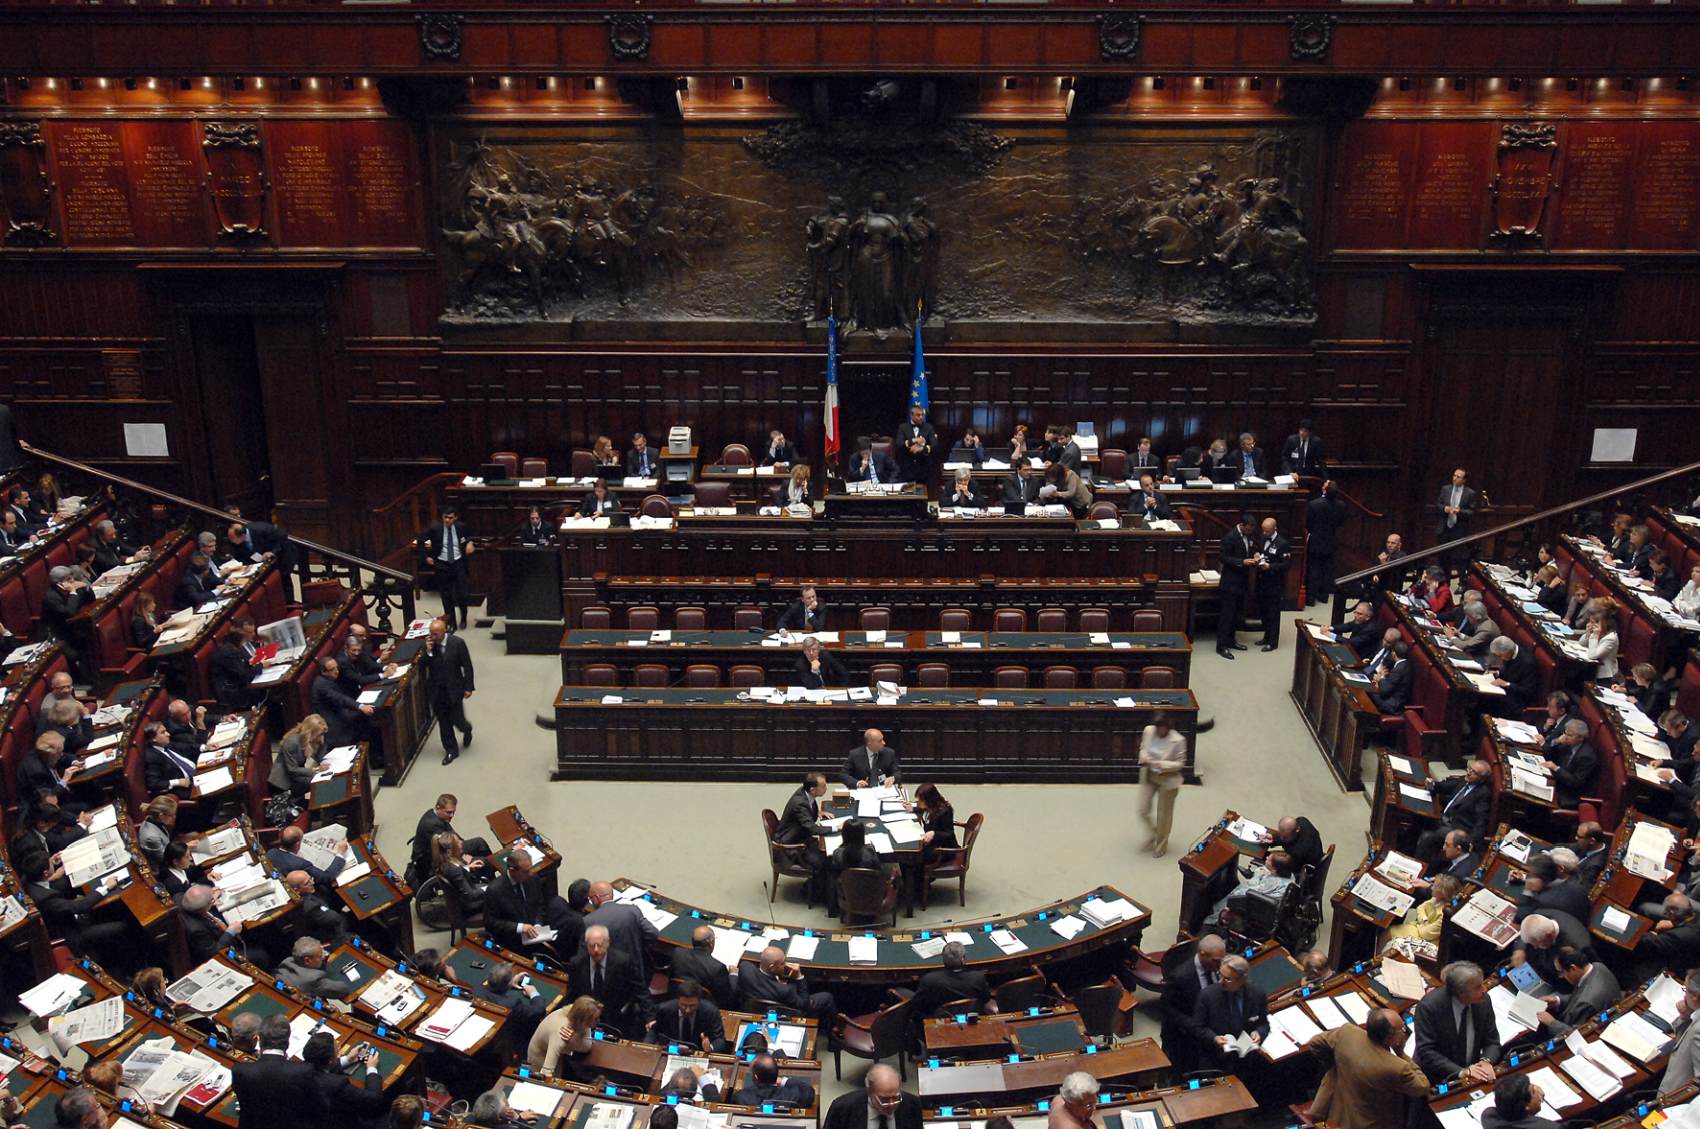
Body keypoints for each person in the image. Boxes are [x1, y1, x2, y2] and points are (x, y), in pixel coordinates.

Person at [1305, 1007, 1429, 1129]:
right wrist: (1401, 1053)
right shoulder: (1397, 1067)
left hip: (1335, 1115)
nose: (1404, 1031)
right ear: (1390, 1038)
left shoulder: (1348, 1033)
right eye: (1402, 1028)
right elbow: (1422, 1087)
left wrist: (1335, 1066)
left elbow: (1315, 1043)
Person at [20, 849, 130, 969]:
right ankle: (122, 966)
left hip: (64, 917)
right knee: (122, 926)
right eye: (50, 864)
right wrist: (105, 887)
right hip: (72, 933)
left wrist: (51, 862)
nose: (52, 864)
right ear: (45, 873)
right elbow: (80, 907)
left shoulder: (27, 878)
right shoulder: (45, 898)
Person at [231, 1014, 330, 1129]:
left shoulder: (240, 1071)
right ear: (287, 1042)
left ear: (260, 1039)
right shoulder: (303, 1071)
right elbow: (322, 1107)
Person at [1413, 961, 1500, 1085]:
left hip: (1474, 1075)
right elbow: (1426, 1051)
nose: (1484, 990)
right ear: (1461, 992)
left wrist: (1486, 1061)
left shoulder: (1483, 1001)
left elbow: (1492, 1041)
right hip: (1437, 1078)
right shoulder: (1429, 1007)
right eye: (1477, 987)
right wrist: (1461, 1072)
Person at [569, 924, 654, 1037]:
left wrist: (650, 1018)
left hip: (616, 1019)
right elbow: (571, 994)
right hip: (586, 1021)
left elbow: (640, 989)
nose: (596, 950)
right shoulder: (577, 963)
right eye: (591, 946)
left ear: (608, 942)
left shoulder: (623, 962)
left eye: (599, 945)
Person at [1159, 934, 1226, 1073]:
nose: (1220, 965)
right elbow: (1167, 1008)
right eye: (1216, 961)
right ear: (1203, 955)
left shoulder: (1218, 968)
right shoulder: (1180, 976)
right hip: (1183, 1037)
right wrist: (1196, 1027)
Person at [1193, 954, 1268, 1064]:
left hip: (1246, 1060)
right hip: (1214, 1058)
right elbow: (1197, 1027)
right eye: (1220, 975)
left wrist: (1259, 1033)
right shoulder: (1207, 995)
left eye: (1227, 979)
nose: (1220, 982)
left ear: (1242, 979)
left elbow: (1264, 1024)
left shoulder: (1257, 994)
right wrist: (1214, 1038)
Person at [301, 1032, 387, 1127]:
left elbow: (320, 1069)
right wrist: (371, 1068)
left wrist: (348, 1059)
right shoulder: (338, 1085)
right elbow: (373, 1098)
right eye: (337, 1049)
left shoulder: (297, 1070)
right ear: (330, 1060)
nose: (339, 1049)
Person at [1533, 946, 1620, 1035]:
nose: (1561, 976)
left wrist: (1551, 1022)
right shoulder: (1598, 966)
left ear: (1573, 968)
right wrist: (1558, 1001)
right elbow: (1581, 994)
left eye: (1562, 972)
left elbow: (1578, 1034)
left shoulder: (1586, 1003)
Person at [423, 617, 475, 765]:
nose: (432, 637)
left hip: (454, 689)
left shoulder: (457, 643)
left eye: (435, 634)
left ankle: (467, 729)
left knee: (458, 721)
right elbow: (423, 664)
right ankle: (451, 750)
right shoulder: (429, 646)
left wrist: (468, 687)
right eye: (431, 633)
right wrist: (428, 652)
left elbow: (467, 666)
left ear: (444, 631)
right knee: (444, 723)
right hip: (437, 691)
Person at [740, 945, 836, 1023]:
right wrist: (799, 977)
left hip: (754, 1007)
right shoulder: (785, 990)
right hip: (787, 1011)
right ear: (772, 967)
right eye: (782, 963)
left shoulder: (745, 968)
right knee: (827, 997)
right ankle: (830, 1031)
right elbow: (804, 1004)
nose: (785, 965)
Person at [1418, 761, 1494, 860]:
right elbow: (1445, 786)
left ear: (1482, 779)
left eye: (1474, 772)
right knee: (1419, 818)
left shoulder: (1483, 794)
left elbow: (1481, 821)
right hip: (1441, 817)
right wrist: (1432, 784)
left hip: (1454, 827)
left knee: (1427, 837)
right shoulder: (1465, 780)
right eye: (1469, 769)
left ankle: (1421, 866)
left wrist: (1470, 843)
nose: (1469, 772)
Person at [1203, 850, 1296, 930]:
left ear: (1275, 869)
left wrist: (1235, 893)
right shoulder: (1288, 874)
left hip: (1260, 905)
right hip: (1266, 898)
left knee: (1231, 899)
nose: (1266, 857)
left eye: (1269, 859)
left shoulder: (1273, 883)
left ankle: (1210, 923)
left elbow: (1248, 891)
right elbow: (1263, 871)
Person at [774, 772, 830, 903]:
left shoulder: (805, 793)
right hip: (792, 846)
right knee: (823, 861)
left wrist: (819, 812)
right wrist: (836, 828)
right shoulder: (800, 803)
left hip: (801, 836)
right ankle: (817, 893)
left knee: (827, 854)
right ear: (812, 789)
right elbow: (811, 828)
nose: (826, 788)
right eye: (823, 786)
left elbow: (807, 813)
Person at [417, 506, 475, 631]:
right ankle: (451, 622)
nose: (447, 520)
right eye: (445, 517)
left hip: (458, 563)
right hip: (442, 564)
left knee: (462, 593)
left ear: (455, 518)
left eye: (450, 518)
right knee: (446, 595)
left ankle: (463, 617)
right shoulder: (435, 528)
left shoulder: (461, 527)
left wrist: (470, 543)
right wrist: (426, 557)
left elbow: (469, 536)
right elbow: (420, 541)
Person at [1138, 712, 1187, 857]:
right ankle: (1154, 833)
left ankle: (1161, 844)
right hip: (1150, 775)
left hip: (1167, 779)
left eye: (1162, 727)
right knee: (1143, 810)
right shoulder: (1148, 731)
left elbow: (1180, 763)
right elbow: (1143, 747)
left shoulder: (1178, 740)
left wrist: (1162, 764)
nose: (1158, 730)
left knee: (1163, 815)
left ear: (1168, 727)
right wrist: (1144, 757)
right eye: (1157, 726)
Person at [584, 879, 659, 973]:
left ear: (597, 897)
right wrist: (637, 945)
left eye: (590, 899)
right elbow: (652, 933)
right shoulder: (633, 910)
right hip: (635, 970)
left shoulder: (588, 921)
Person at [821, 1064, 920, 1129]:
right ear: (869, 1091)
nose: (891, 1104)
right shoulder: (842, 1108)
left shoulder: (913, 1105)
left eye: (896, 1098)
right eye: (884, 1099)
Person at [471, 961, 547, 1043]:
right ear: (508, 984)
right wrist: (533, 993)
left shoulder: (477, 989)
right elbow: (539, 1011)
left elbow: (493, 983)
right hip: (506, 1038)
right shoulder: (512, 1003)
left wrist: (510, 981)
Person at [1216, 514, 1259, 659]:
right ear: (1241, 525)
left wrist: (1256, 555)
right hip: (1230, 582)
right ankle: (1221, 646)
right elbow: (1223, 557)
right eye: (1248, 529)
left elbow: (1252, 549)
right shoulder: (1230, 537)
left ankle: (1231, 640)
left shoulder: (1248, 536)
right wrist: (1241, 562)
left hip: (1242, 582)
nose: (1250, 532)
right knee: (1226, 616)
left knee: (1236, 614)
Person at [529, 995, 601, 1079]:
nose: (598, 1021)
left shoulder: (577, 1011)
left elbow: (587, 1046)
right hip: (540, 1056)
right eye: (595, 1019)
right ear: (583, 1019)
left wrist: (574, 1041)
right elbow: (546, 1072)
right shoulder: (561, 1033)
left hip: (561, 1057)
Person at [650, 978, 729, 1051]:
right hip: (672, 1051)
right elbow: (654, 1032)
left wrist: (710, 1047)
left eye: (692, 1006)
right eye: (683, 1005)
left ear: (699, 1001)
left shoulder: (711, 1012)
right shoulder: (665, 1010)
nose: (687, 1010)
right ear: (678, 1000)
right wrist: (646, 1048)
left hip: (699, 1053)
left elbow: (720, 1040)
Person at [1385, 874, 1461, 945]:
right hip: (1417, 927)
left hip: (1426, 941)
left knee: (1390, 932)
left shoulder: (1444, 915)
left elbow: (1426, 934)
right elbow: (1420, 908)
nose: (1431, 888)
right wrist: (1424, 919)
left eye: (1435, 886)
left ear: (1442, 894)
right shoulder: (1435, 899)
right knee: (1388, 930)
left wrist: (1420, 923)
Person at [269, 823, 348, 889]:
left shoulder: (271, 853)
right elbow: (326, 877)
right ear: (297, 844)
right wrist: (340, 853)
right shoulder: (301, 864)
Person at [1513, 854, 1590, 922]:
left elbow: (1520, 918)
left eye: (1532, 874)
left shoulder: (1543, 901)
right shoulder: (1578, 888)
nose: (1529, 877)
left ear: (1539, 879)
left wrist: (1528, 891)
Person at [1541, 718, 1598, 808]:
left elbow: (1576, 782)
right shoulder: (1568, 743)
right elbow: (1550, 755)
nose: (1565, 737)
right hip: (1559, 782)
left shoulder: (1587, 757)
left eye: (1570, 735)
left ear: (1581, 738)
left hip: (1570, 794)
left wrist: (1556, 768)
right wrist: (1557, 741)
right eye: (1565, 733)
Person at [1252, 516, 1290, 651]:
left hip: (1275, 584)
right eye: (1263, 531)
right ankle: (1266, 636)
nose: (1264, 533)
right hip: (1262, 582)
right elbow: (1259, 551)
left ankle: (1272, 642)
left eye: (1267, 531)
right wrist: (1256, 555)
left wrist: (1271, 567)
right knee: (1263, 612)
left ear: (1275, 529)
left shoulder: (1282, 543)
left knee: (1273, 614)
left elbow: (1286, 565)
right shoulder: (1262, 539)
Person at [1660, 970, 1700, 1096]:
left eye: (1686, 990)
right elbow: (1681, 1042)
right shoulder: (1695, 1017)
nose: (1684, 995)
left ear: (1695, 997)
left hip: (1678, 1102)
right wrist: (1684, 1016)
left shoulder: (1698, 1031)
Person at [209, 617, 262, 712]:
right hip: (233, 698)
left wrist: (249, 663)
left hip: (238, 688)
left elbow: (241, 668)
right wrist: (261, 665)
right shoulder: (227, 653)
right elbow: (244, 675)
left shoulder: (231, 648)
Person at [278, 937, 357, 1000]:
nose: (324, 956)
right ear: (307, 960)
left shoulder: (286, 961)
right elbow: (342, 990)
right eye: (320, 956)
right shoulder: (313, 979)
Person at [433, 830, 490, 916]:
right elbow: (471, 895)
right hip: (470, 906)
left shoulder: (445, 863)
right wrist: (489, 888)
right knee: (503, 892)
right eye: (458, 843)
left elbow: (455, 874)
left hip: (462, 898)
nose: (461, 843)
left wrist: (467, 868)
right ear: (451, 850)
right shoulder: (454, 870)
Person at [270, 714, 327, 799]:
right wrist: (316, 770)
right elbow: (292, 770)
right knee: (320, 782)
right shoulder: (292, 742)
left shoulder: (309, 739)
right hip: (284, 783)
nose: (320, 737)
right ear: (310, 732)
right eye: (318, 734)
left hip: (296, 775)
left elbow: (318, 755)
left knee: (323, 780)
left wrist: (322, 762)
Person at [735, 1053, 815, 1107]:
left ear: (755, 1077)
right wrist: (783, 1081)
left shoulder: (741, 1097)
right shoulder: (792, 1096)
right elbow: (808, 1091)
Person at [1369, 640, 1413, 714]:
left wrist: (1380, 679)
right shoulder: (1407, 664)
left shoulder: (1399, 669)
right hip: (1394, 699)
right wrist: (1380, 680)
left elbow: (1384, 691)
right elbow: (1391, 684)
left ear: (1394, 654)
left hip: (1392, 705)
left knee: (1368, 690)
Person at [896, 404, 936, 483]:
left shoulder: (929, 427)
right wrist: (914, 440)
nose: (921, 417)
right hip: (906, 469)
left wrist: (922, 449)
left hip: (924, 469)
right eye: (918, 415)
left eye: (922, 415)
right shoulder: (903, 427)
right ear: (911, 415)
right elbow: (899, 444)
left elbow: (935, 444)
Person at [1581, 600, 1621, 679]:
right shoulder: (1599, 630)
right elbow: (1581, 643)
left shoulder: (1610, 638)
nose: (1591, 624)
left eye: (1593, 622)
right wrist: (1588, 633)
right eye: (1590, 621)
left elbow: (1593, 656)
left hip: (1604, 676)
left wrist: (1595, 636)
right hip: (1591, 669)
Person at [1436, 467, 1479, 539]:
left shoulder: (1470, 493)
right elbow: (1438, 504)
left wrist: (1460, 511)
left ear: (1464, 480)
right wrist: (1445, 508)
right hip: (1443, 528)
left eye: (1458, 477)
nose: (1454, 478)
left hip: (1459, 530)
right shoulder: (1445, 489)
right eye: (1454, 475)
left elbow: (1472, 512)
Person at [136, 795, 177, 865]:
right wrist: (183, 852)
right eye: (171, 815)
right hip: (164, 869)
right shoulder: (152, 838)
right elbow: (165, 860)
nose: (174, 817)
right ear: (161, 816)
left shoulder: (151, 819)